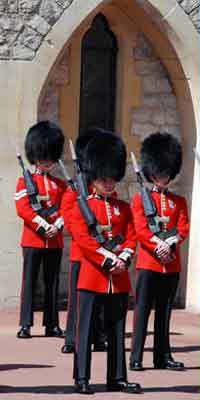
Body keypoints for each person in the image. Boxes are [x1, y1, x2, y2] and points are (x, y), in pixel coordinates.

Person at [69, 132, 141, 394]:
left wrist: (124, 256)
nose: (109, 184)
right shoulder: (82, 206)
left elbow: (132, 235)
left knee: (117, 331)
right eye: (103, 179)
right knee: (85, 331)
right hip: (92, 277)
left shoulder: (123, 208)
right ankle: (82, 378)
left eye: (112, 179)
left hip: (118, 278)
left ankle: (118, 377)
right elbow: (83, 240)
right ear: (93, 178)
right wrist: (108, 257)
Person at [130, 132, 189, 371]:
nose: (163, 177)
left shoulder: (179, 201)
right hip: (149, 263)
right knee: (142, 312)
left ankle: (162, 356)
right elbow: (141, 229)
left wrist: (171, 244)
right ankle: (136, 357)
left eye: (166, 172)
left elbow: (183, 227)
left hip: (171, 263)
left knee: (164, 314)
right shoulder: (139, 200)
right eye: (159, 172)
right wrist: (159, 245)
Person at [14, 121, 66, 339]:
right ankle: (25, 324)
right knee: (30, 282)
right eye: (43, 156)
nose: (47, 161)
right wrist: (44, 225)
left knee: (52, 282)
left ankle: (52, 324)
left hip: (54, 240)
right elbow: (23, 208)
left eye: (50, 157)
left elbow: (67, 209)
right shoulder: (24, 182)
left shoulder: (59, 185)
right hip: (33, 239)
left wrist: (57, 225)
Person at [60, 128, 108, 354]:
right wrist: (84, 232)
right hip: (81, 253)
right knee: (77, 300)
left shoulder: (105, 192)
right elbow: (67, 218)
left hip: (101, 252)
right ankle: (72, 338)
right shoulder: (74, 190)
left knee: (100, 299)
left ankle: (98, 336)